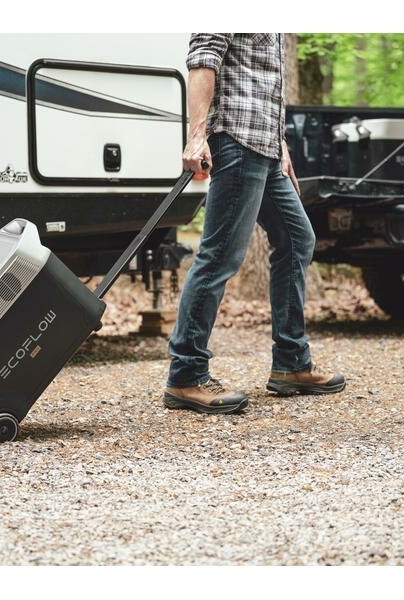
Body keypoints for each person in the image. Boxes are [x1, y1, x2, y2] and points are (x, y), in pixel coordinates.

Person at [163, 33, 346, 415]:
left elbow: (264, 81)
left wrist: (280, 144)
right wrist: (197, 135)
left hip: (265, 146)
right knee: (219, 256)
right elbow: (203, 57)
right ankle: (186, 375)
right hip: (238, 139)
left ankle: (291, 363)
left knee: (297, 239)